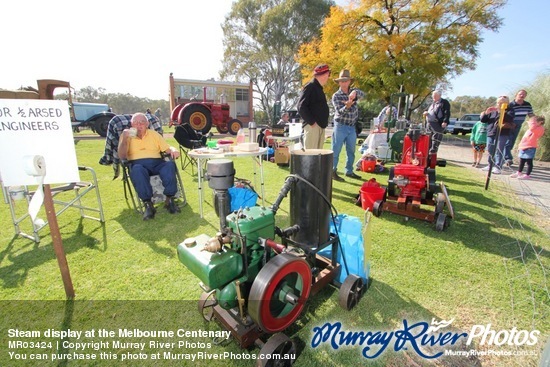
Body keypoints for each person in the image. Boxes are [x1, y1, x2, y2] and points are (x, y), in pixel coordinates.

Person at [118, 113, 181, 220]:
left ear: (147, 124)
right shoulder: (127, 137)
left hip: (156, 162)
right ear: (131, 124)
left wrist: (174, 149)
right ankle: (148, 205)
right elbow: (122, 156)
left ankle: (169, 200)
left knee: (169, 165)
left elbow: (167, 149)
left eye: (142, 122)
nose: (139, 125)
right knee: (137, 170)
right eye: (135, 123)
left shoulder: (154, 134)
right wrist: (124, 139)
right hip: (137, 164)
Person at [331, 69, 365, 181]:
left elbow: (364, 95)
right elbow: (339, 112)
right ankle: (332, 171)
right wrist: (347, 106)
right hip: (340, 125)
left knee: (351, 150)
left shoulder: (354, 92)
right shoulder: (336, 96)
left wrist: (356, 93)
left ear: (349, 82)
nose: (344, 83)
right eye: (342, 81)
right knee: (336, 150)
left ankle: (349, 171)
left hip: (351, 126)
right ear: (339, 83)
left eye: (346, 81)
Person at [297, 64, 331, 150]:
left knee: (317, 157)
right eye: (328, 74)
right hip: (313, 127)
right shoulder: (310, 86)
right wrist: (312, 122)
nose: (328, 77)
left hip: (320, 126)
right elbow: (301, 106)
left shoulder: (319, 88)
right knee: (311, 156)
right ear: (324, 74)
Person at [480, 96, 515, 174]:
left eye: (503, 102)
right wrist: (486, 113)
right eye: (499, 102)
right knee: (490, 149)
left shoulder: (510, 111)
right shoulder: (492, 110)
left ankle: (498, 166)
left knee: (499, 150)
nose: (500, 103)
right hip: (491, 132)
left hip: (502, 133)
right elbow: (483, 120)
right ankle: (490, 165)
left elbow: (510, 119)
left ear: (507, 103)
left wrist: (502, 111)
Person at [504, 89, 535, 166]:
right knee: (508, 142)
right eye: (520, 94)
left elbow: (530, 115)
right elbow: (506, 116)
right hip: (509, 125)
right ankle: (508, 158)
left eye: (524, 94)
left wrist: (537, 122)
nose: (522, 95)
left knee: (512, 142)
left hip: (518, 125)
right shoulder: (510, 105)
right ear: (516, 95)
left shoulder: (527, 105)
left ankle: (504, 156)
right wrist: (510, 123)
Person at [510, 115, 545, 180]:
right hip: (524, 146)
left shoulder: (540, 128)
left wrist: (531, 123)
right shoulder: (531, 129)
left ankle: (527, 174)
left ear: (540, 122)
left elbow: (532, 128)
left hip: (531, 147)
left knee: (529, 161)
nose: (531, 124)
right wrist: (520, 146)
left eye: (533, 123)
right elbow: (525, 137)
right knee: (522, 161)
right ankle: (519, 172)